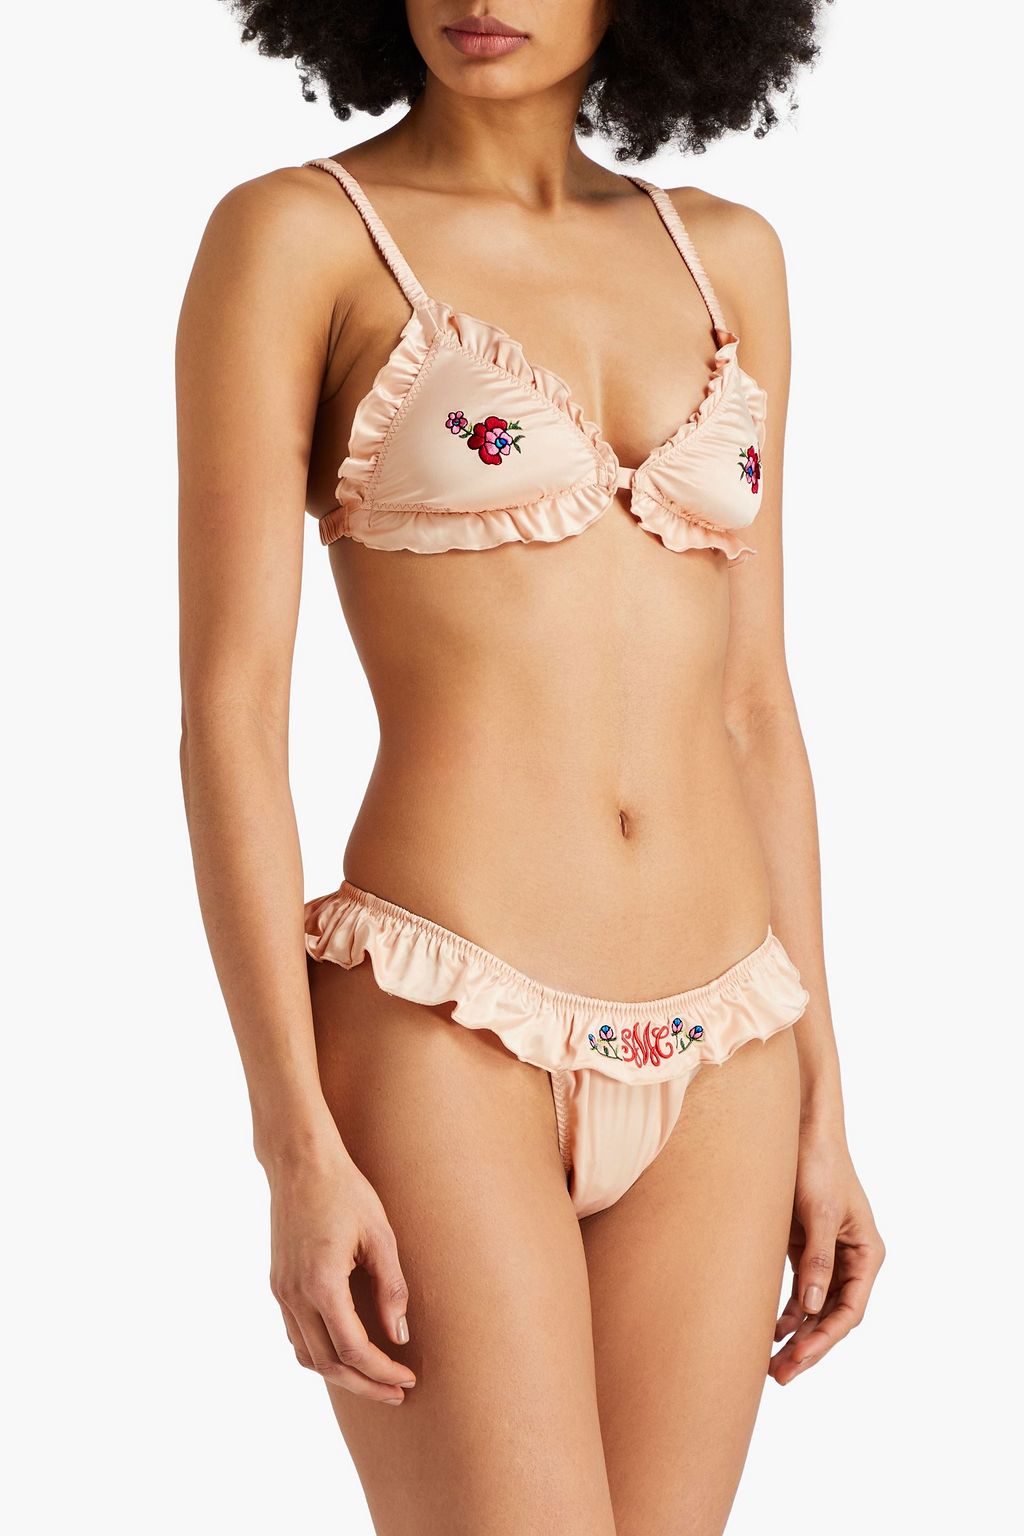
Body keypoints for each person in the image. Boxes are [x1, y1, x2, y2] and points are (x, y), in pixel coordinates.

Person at [177, 2, 885, 1530]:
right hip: (447, 1022)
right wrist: (293, 1146)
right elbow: (233, 713)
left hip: (729, 1038)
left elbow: (755, 707)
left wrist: (826, 1102)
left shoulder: (728, 256)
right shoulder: (299, 236)